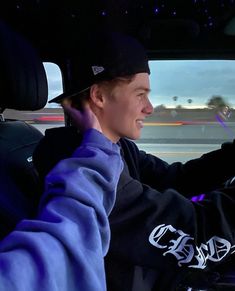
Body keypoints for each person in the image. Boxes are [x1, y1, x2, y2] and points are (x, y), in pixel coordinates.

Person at [33, 30, 235, 290]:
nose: (149, 107)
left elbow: (176, 178)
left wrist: (231, 156)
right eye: (140, 94)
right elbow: (191, 232)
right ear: (99, 96)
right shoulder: (78, 165)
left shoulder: (117, 147)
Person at [0, 102, 123, 291]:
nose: (148, 108)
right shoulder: (32, 135)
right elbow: (64, 246)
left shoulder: (26, 134)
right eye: (139, 94)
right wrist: (98, 147)